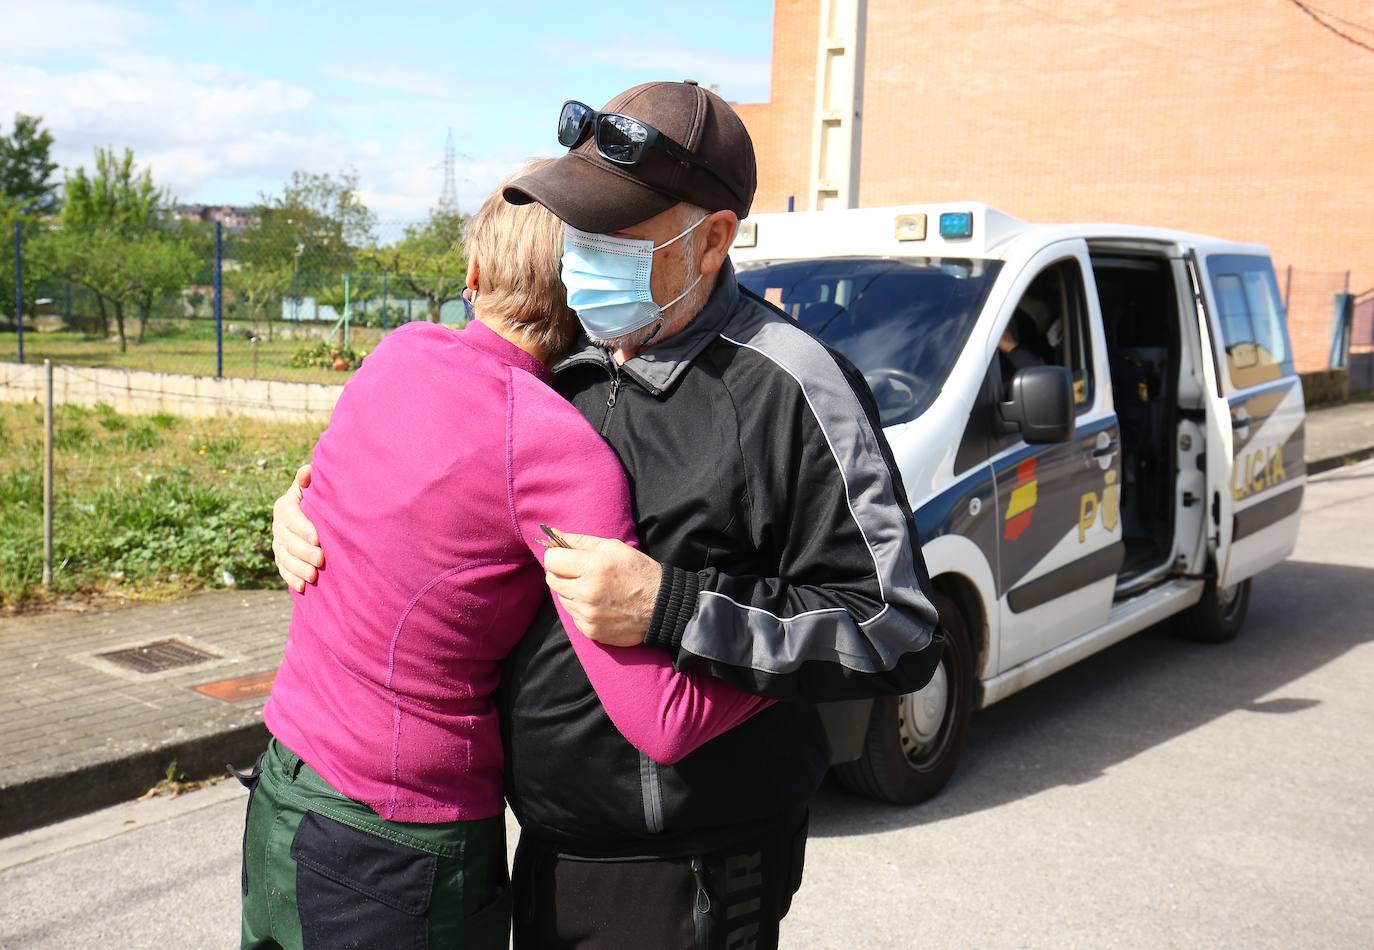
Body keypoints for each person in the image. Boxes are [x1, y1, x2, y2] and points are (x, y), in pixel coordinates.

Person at [274, 81, 944, 949]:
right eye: (579, 230)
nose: (583, 256)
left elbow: (896, 627)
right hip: (543, 849)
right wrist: (299, 507)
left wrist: (674, 606)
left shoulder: (792, 388)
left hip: (690, 873)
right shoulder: (571, 364)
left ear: (709, 242)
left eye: (614, 237)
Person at [241, 162, 771, 950]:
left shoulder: (398, 354)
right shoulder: (556, 448)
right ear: (588, 292)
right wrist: (801, 670)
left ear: (474, 273)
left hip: (284, 789)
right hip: (399, 846)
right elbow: (658, 720)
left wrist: (287, 511)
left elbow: (326, 507)